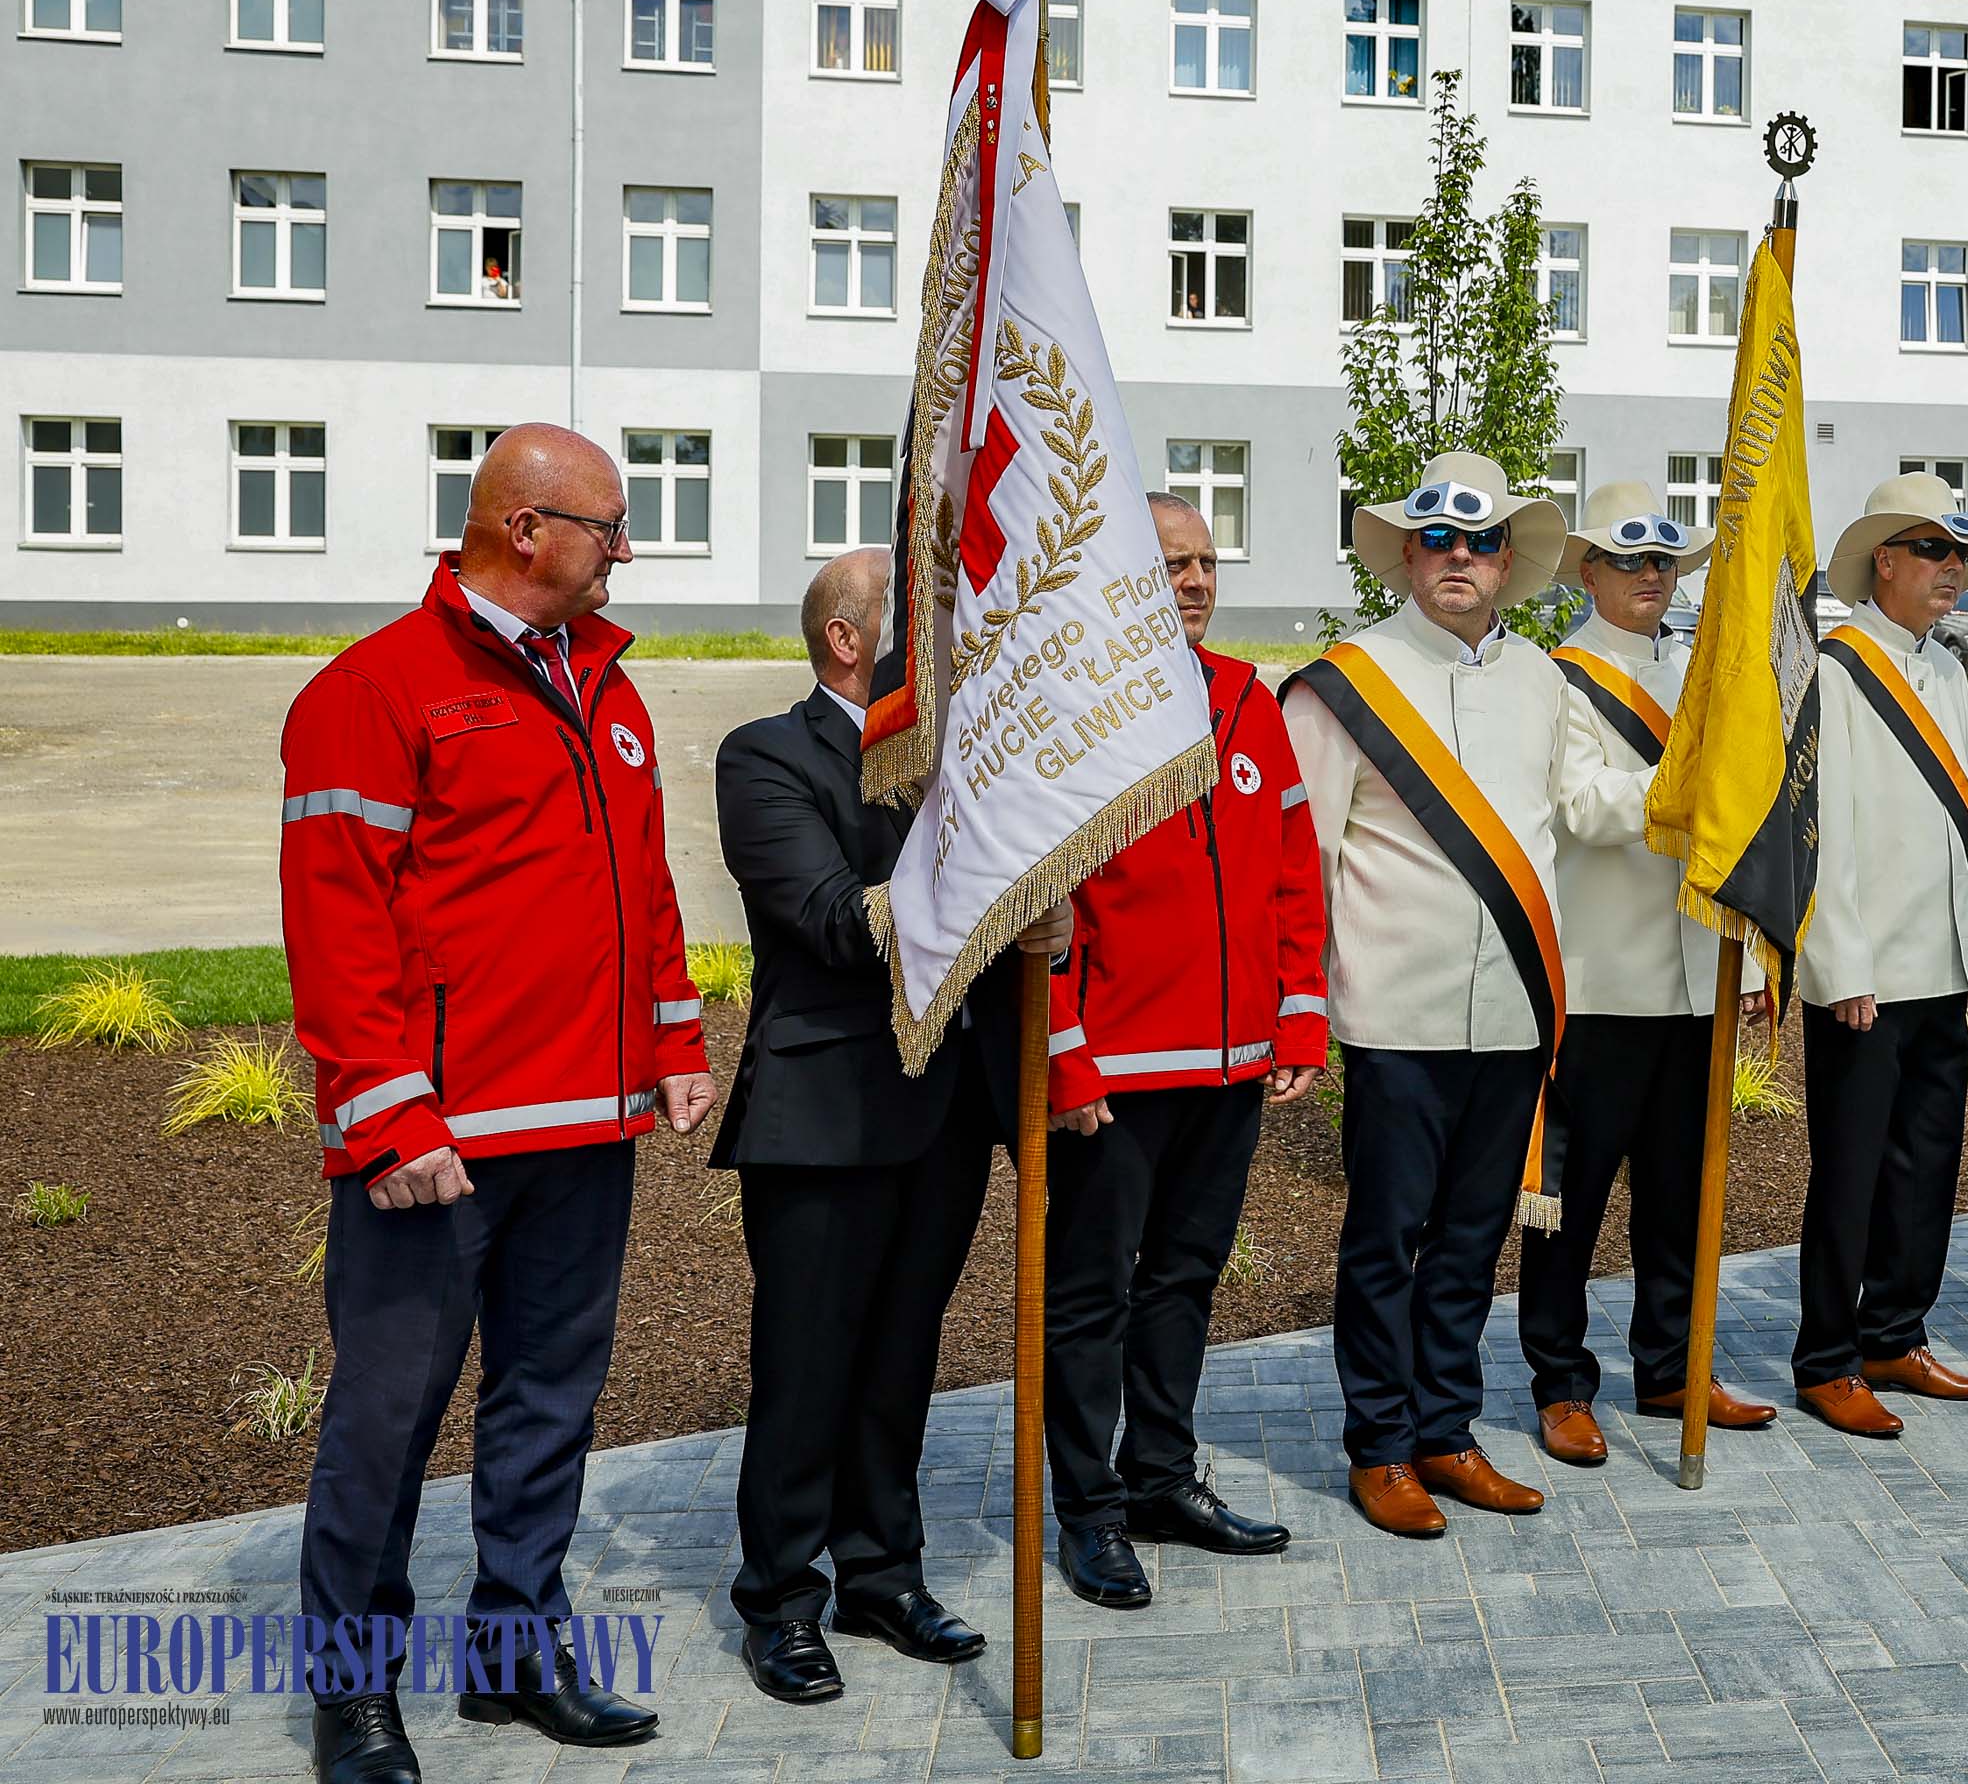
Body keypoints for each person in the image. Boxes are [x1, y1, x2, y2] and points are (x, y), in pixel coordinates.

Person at [279, 424, 709, 1784]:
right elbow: (336, 923)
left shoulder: (611, 687)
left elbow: (641, 888)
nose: (624, 552)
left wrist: (673, 1037)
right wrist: (389, 1114)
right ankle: (352, 1697)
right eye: (608, 526)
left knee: (547, 1406)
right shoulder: (374, 691)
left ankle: (515, 1656)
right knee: (387, 1424)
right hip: (437, 1149)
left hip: (588, 1127)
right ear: (526, 530)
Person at [711, 549, 1049, 1703]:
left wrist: (1032, 905)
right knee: (807, 1365)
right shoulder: (766, 754)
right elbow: (824, 918)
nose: (942, 638)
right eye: (918, 619)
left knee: (902, 1355)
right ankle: (782, 1599)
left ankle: (881, 1571)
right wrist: (991, 886)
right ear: (849, 640)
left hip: (944, 1111)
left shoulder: (960, 757)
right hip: (825, 1115)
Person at [1281, 451, 1598, 1537]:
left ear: (1509, 561)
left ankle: (1447, 1430)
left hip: (1514, 1006)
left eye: (1480, 541)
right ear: (1407, 554)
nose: (1458, 557)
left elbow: (1575, 811)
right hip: (1392, 1008)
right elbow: (1307, 857)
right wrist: (1302, 1006)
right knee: (1386, 1238)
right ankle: (1380, 1445)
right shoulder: (1345, 680)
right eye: (1436, 539)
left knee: (1472, 1236)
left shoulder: (1544, 679)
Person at [1038, 494, 1322, 1606]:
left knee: (1186, 1280)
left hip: (1235, 1061)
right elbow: (1045, 905)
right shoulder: (1076, 712)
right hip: (1112, 1074)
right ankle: (1088, 1510)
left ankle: (1158, 1474)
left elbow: (1294, 871)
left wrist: (1299, 1012)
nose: (1197, 580)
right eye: (1171, 564)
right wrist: (1064, 1052)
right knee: (1090, 1295)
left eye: (1206, 560)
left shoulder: (1252, 702)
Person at [1520, 482, 1777, 1469]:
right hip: (1602, 980)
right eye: (1630, 562)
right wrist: (1687, 777)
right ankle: (1560, 1381)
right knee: (1570, 1206)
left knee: (1680, 1193)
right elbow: (1581, 808)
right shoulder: (1561, 680)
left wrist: (1750, 955)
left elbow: (1737, 835)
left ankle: (1673, 1361)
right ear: (1590, 571)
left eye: (1664, 562)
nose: (1651, 579)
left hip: (1690, 973)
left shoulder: (1697, 674)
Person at [1793, 474, 1968, 1437]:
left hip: (1938, 961)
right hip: (1866, 973)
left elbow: (1967, 826)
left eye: (1958, 553)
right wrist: (1838, 963)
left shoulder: (1950, 671)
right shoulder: (1834, 668)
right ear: (1885, 559)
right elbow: (1820, 826)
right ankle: (1827, 1357)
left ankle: (1896, 1333)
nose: (1950, 569)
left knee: (1927, 1163)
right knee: (1850, 1173)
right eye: (1932, 550)